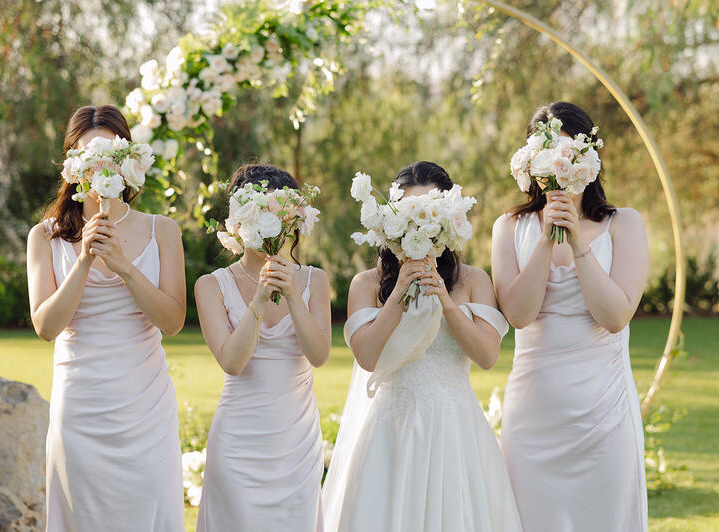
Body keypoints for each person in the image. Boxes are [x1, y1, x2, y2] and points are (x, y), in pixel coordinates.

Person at [322, 161, 522, 532]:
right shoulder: (367, 284)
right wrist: (398, 294)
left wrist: (447, 303)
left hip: (455, 427)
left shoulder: (472, 281)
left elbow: (487, 356)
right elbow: (367, 357)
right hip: (391, 430)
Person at [26, 105, 186, 531]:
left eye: (110, 154)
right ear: (72, 164)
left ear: (127, 159)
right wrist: (83, 262)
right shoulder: (45, 237)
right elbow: (46, 326)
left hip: (146, 409)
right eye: (89, 155)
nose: (100, 167)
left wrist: (124, 267)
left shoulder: (162, 230)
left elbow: (173, 321)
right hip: (81, 409)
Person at [492, 101, 649, 531]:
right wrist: (546, 241)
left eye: (565, 154)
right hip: (534, 414)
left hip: (604, 412)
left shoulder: (624, 224)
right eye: (545, 156)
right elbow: (518, 315)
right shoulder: (509, 228)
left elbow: (614, 316)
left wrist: (578, 242)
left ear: (588, 159)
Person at [194, 164, 331, 532]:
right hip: (238, 444)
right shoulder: (211, 285)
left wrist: (292, 294)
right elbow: (232, 362)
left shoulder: (314, 280)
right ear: (238, 221)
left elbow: (319, 355)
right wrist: (257, 301)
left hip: (296, 443)